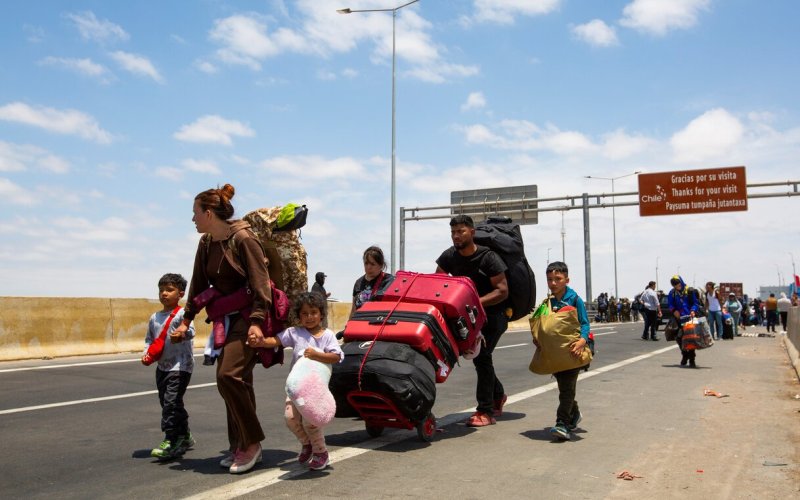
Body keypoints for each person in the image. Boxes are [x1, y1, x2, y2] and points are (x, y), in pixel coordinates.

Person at [172, 183, 271, 474]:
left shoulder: (243, 239)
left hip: (248, 316)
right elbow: (198, 283)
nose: (192, 219)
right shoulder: (206, 243)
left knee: (228, 375)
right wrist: (187, 319)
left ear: (209, 214)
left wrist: (256, 322)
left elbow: (261, 283)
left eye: (195, 213)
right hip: (224, 318)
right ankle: (239, 444)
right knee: (239, 381)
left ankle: (251, 443)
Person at [248, 292, 343, 471]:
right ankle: (307, 444)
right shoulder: (295, 333)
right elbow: (275, 341)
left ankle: (321, 453)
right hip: (296, 387)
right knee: (290, 418)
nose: (309, 317)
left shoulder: (328, 335)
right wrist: (260, 341)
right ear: (299, 316)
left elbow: (336, 357)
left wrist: (317, 355)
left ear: (321, 314)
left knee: (310, 423)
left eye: (313, 312)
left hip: (315, 389)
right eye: (304, 313)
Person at [436, 215, 509, 427]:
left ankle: (485, 411)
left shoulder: (488, 257)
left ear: (472, 232)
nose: (456, 236)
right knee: (479, 358)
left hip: (494, 316)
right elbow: (438, 283)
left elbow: (502, 290)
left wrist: (474, 302)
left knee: (482, 356)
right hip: (467, 317)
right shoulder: (449, 256)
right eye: (453, 232)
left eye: (461, 231)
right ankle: (498, 395)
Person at [143, 273, 196, 459]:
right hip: (162, 367)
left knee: (171, 403)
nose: (164, 293)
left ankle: (171, 439)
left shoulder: (183, 315)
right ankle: (185, 434)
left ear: (180, 294)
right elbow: (149, 339)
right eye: (161, 290)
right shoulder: (155, 317)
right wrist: (146, 353)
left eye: (169, 290)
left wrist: (182, 334)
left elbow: (191, 331)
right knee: (168, 402)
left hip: (180, 366)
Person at [537, 261, 590, 441]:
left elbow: (585, 323)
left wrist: (582, 341)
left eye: (558, 279)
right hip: (555, 354)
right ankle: (574, 413)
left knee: (566, 389)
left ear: (567, 280)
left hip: (572, 352)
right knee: (564, 388)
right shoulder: (548, 302)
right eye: (549, 279)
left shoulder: (575, 299)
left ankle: (562, 424)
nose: (553, 283)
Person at [349, 246, 395, 319]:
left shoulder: (389, 281)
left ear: (381, 265)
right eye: (366, 263)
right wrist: (349, 324)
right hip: (359, 322)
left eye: (372, 264)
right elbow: (354, 309)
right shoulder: (358, 283)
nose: (368, 267)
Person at [667, 275, 701, 368]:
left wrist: (693, 310)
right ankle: (684, 355)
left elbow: (695, 303)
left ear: (681, 281)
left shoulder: (690, 291)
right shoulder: (672, 293)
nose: (676, 285)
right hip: (679, 319)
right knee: (679, 338)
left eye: (677, 283)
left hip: (690, 318)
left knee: (691, 338)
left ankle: (692, 359)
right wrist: (674, 310)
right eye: (674, 284)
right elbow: (670, 304)